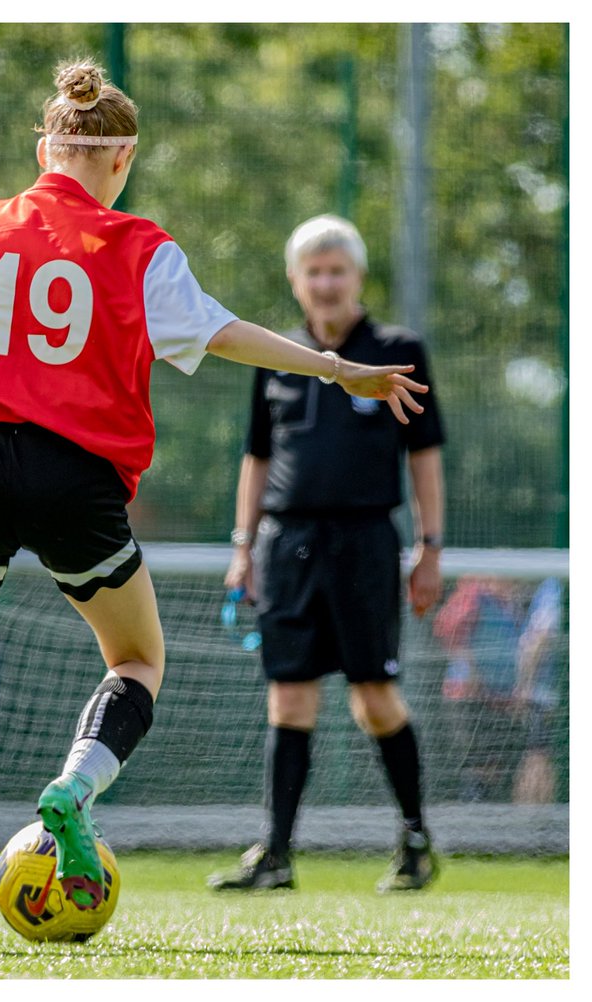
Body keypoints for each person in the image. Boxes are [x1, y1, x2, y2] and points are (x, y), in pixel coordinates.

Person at [0, 61, 429, 945]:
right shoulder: (139, 247)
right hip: (73, 476)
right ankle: (74, 786)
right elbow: (230, 332)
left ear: (44, 147)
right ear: (121, 158)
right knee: (136, 662)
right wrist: (336, 365)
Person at [208, 213, 446, 894]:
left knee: (374, 699)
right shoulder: (274, 355)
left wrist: (430, 549)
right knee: (288, 699)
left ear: (357, 277)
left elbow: (425, 458)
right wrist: (243, 548)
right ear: (296, 280)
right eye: (313, 271)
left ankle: (414, 841)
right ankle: (276, 854)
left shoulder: (399, 351)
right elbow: (256, 458)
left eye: (337, 269)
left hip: (367, 545)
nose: (326, 282)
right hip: (287, 547)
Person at [434, 575, 561, 804]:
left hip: (516, 697)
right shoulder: (474, 594)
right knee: (484, 768)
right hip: (475, 696)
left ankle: (531, 830)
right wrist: (473, 672)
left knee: (533, 758)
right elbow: (448, 628)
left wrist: (523, 688)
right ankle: (477, 828)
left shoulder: (542, 589)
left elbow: (538, 641)